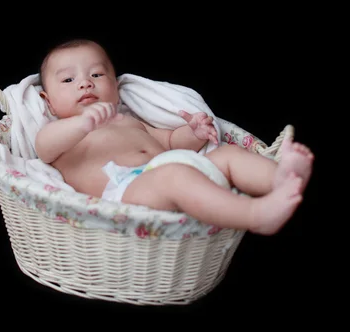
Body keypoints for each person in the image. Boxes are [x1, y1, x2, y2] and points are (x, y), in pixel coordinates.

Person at [35, 39, 314, 235]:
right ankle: (254, 215)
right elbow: (44, 149)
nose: (85, 82)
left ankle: (280, 179)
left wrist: (192, 132)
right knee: (174, 177)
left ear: (117, 88)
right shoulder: (59, 132)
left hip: (172, 166)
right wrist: (82, 124)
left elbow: (170, 143)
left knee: (226, 155)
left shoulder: (130, 121)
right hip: (127, 193)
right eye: (68, 80)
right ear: (48, 102)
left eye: (96, 74)